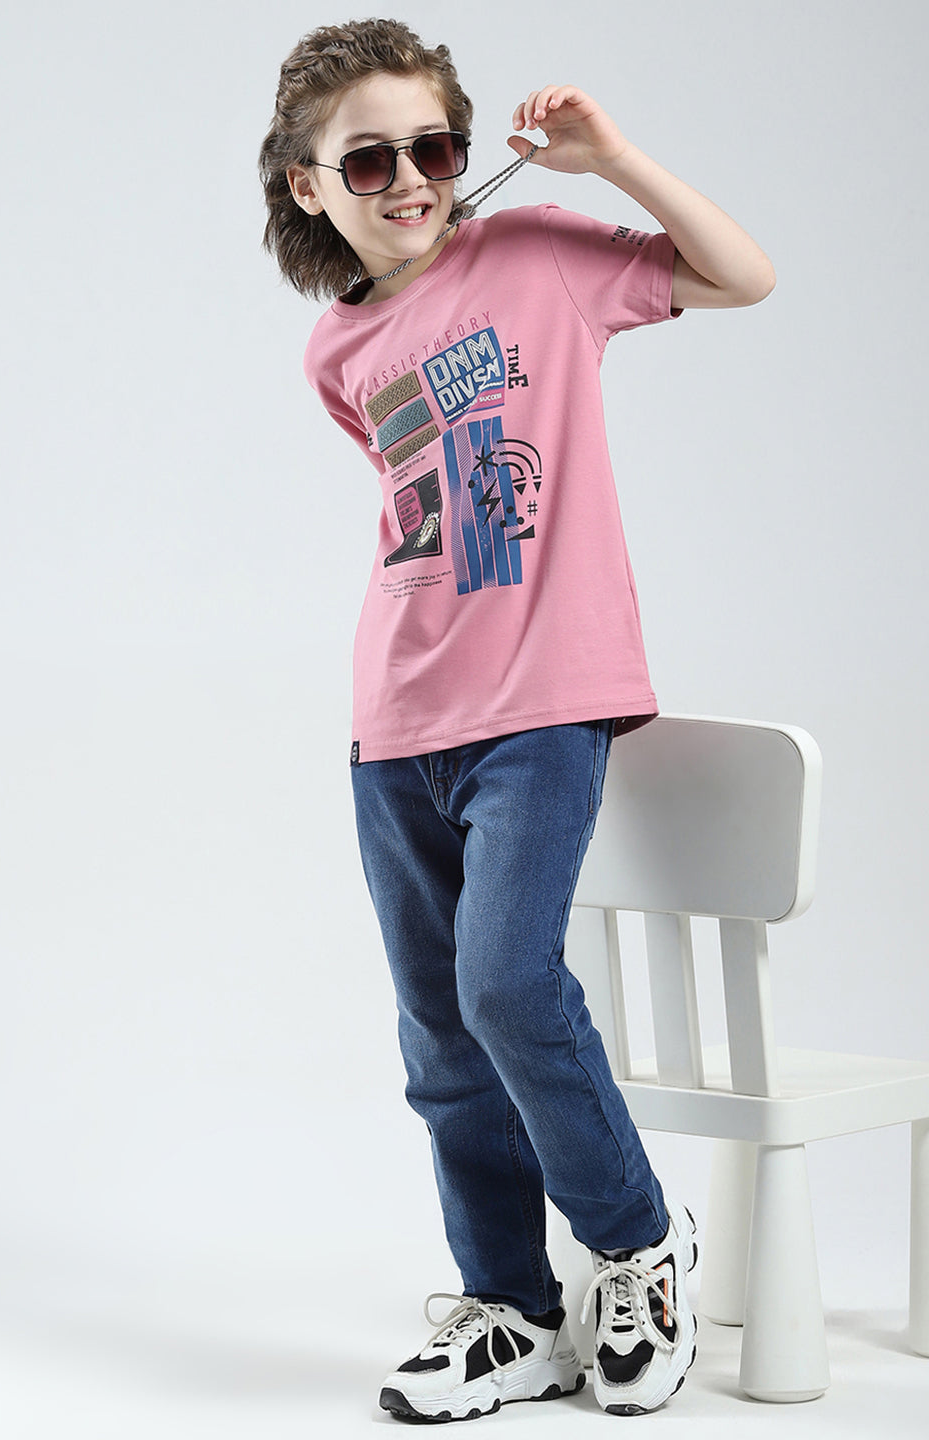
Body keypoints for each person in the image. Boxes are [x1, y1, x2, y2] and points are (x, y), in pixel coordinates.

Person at [259, 17, 774, 1422]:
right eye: (370, 160)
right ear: (309, 183)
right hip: (393, 722)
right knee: (440, 1040)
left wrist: (614, 161)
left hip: (546, 703)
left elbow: (745, 276)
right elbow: (415, 519)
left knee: (505, 985)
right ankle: (510, 1310)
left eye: (434, 149)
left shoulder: (539, 254)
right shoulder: (334, 347)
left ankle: (638, 1248)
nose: (411, 181)